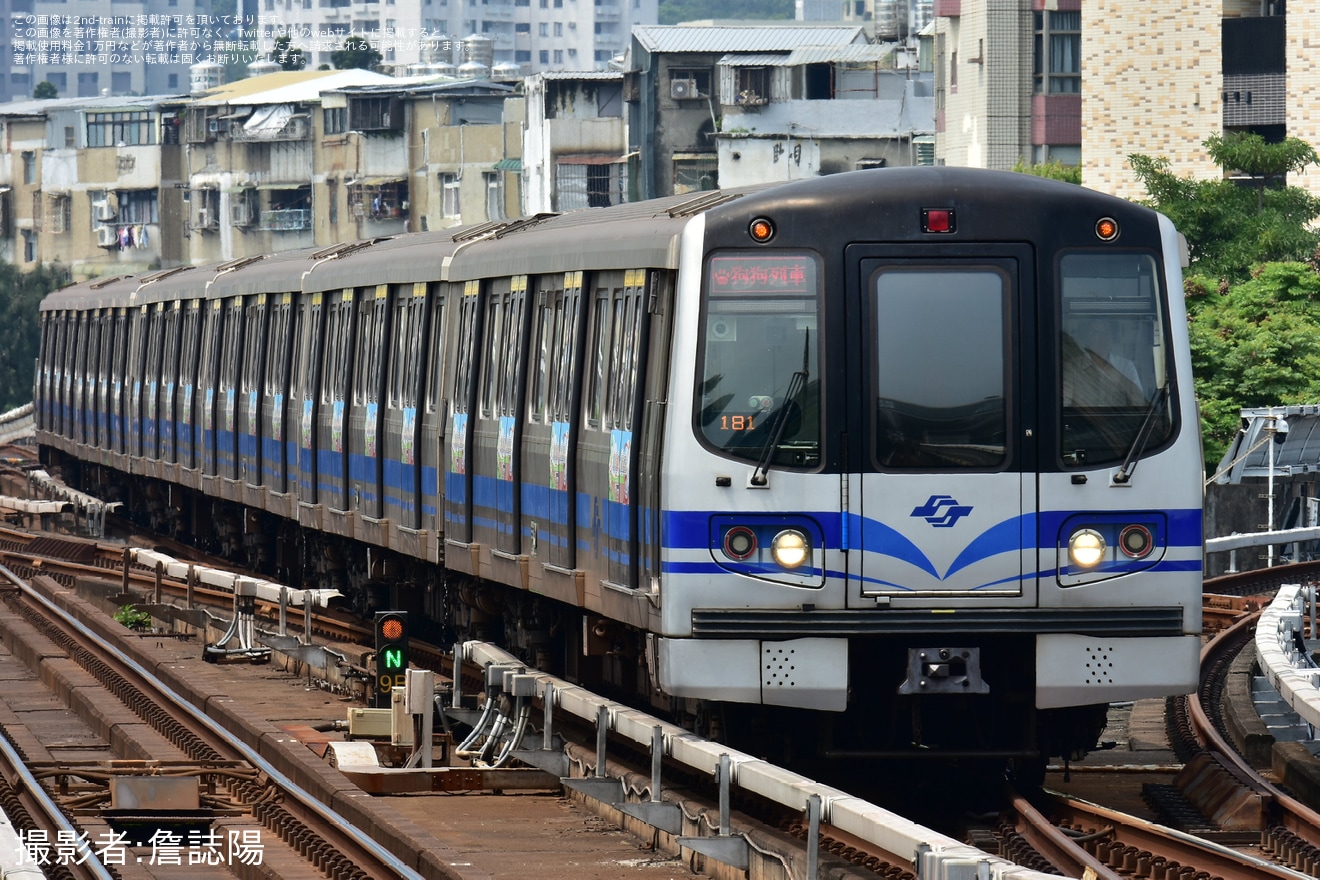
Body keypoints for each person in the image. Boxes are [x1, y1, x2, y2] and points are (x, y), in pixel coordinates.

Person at [1063, 320, 1148, 407]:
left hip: (1119, 420)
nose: (1102, 338)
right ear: (1087, 338)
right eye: (1095, 333)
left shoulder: (1125, 366)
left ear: (1112, 336)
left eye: (1107, 332)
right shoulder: (1073, 367)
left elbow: (1140, 403)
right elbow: (1064, 405)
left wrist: (1118, 376)